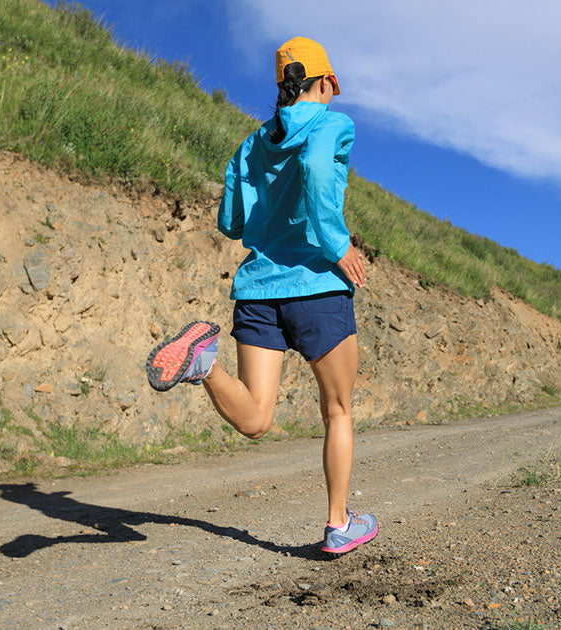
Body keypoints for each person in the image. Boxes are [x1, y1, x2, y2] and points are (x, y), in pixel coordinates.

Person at [144, 37, 376, 554]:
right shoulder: (334, 123)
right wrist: (335, 243)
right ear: (328, 82)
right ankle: (339, 524)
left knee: (255, 418)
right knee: (338, 410)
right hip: (317, 286)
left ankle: (203, 364)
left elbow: (230, 221)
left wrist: (271, 211)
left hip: (258, 292)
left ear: (281, 88)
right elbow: (316, 170)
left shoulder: (252, 143)